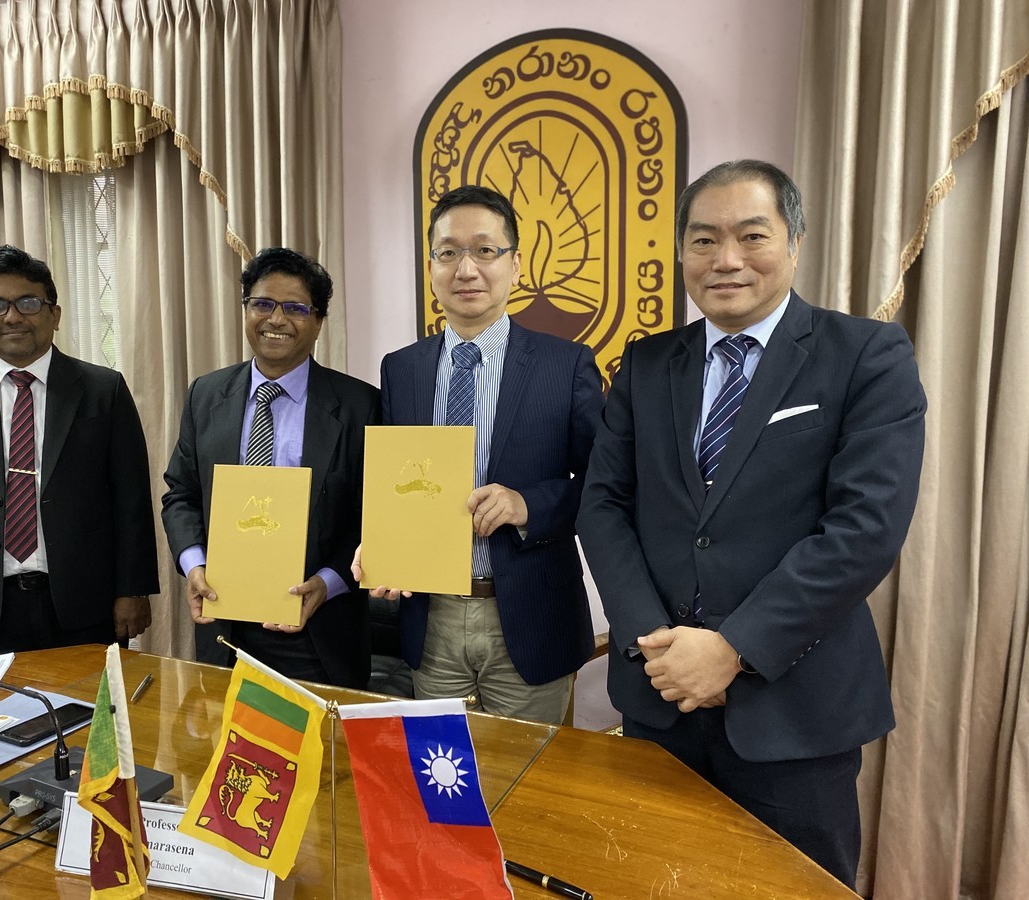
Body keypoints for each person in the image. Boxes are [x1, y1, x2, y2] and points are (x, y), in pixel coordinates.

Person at [576, 160, 926, 888]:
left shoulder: (864, 354)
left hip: (795, 712)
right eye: (703, 240)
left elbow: (864, 528)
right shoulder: (645, 364)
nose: (725, 259)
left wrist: (733, 647)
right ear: (681, 256)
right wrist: (654, 645)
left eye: (750, 235)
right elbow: (604, 506)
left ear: (794, 241)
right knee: (653, 882)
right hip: (660, 698)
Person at [353, 185, 604, 725]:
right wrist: (381, 546)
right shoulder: (403, 369)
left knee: (532, 786)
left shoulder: (567, 365)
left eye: (485, 251)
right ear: (431, 267)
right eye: (449, 252)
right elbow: (397, 481)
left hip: (530, 613)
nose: (466, 268)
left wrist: (528, 504)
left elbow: (603, 484)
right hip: (432, 617)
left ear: (515, 265)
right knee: (445, 783)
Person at [0, 244, 159, 653]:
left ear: (54, 315)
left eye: (29, 303)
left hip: (82, 603)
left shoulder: (103, 390)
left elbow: (131, 499)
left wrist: (134, 589)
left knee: (89, 714)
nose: (13, 316)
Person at [161, 247, 380, 688]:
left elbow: (373, 519)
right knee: (224, 753)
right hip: (225, 626)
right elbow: (180, 495)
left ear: (318, 322)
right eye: (262, 304)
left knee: (322, 756)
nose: (276, 320)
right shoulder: (206, 394)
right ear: (246, 310)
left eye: (296, 308)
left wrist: (327, 583)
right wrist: (195, 564)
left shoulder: (360, 405)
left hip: (320, 633)